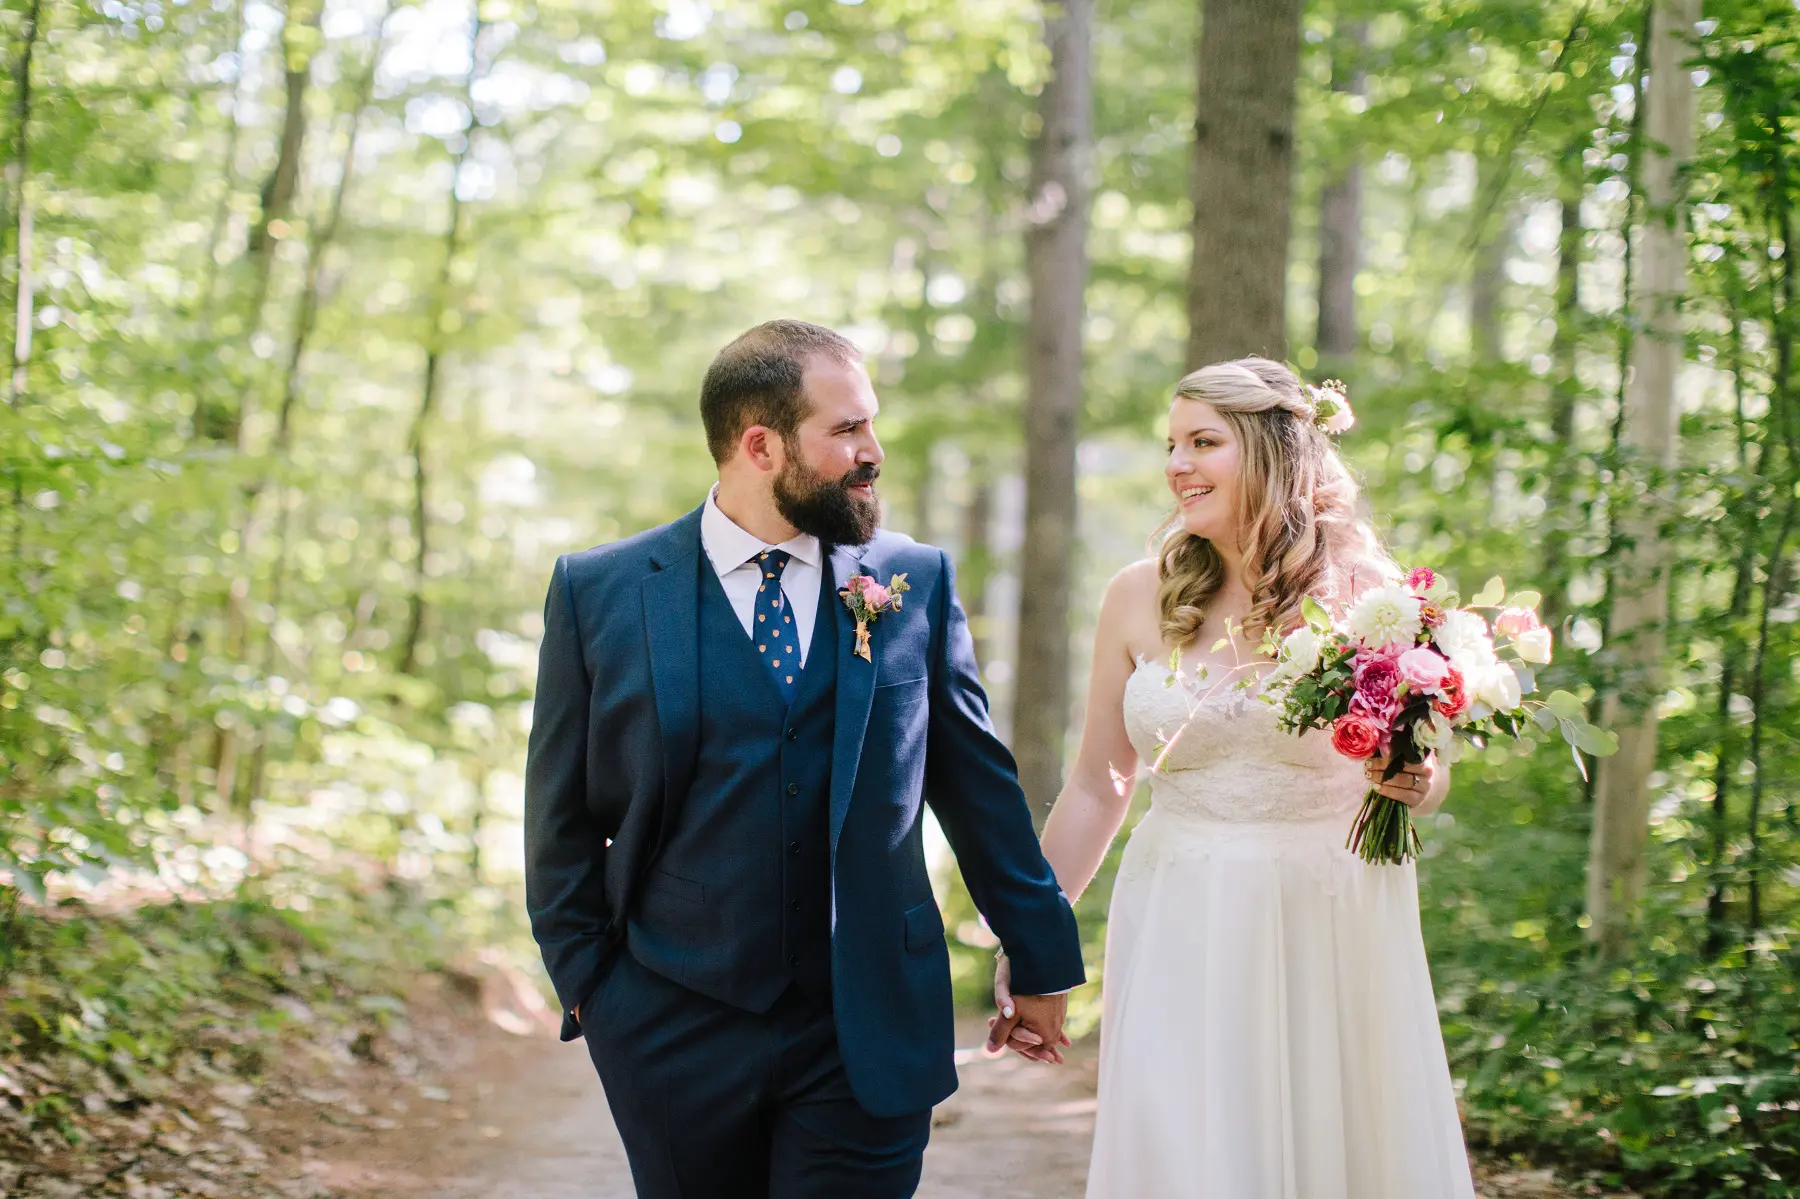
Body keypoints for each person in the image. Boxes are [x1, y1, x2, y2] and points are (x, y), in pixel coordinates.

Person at [524, 319, 1085, 1199]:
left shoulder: (915, 581)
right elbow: (557, 819)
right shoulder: (601, 592)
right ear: (760, 444)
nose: (874, 451)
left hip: (868, 1023)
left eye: (871, 423)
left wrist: (1042, 953)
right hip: (672, 1025)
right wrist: (595, 989)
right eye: (847, 429)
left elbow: (979, 790)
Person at [990, 357, 1477, 1197]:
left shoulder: (1374, 599)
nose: (1177, 464)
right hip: (1179, 905)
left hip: (1327, 911)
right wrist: (1033, 935)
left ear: (1274, 451)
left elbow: (1424, 776)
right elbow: (1100, 781)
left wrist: (1416, 779)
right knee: (1186, 1151)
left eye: (1203, 442)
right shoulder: (1138, 596)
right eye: (1172, 444)